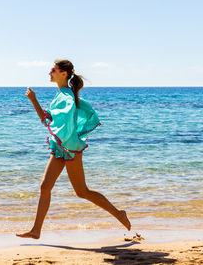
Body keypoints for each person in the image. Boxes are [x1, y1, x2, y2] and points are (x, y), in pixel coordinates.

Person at [16, 59, 131, 239]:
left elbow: (63, 118)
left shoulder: (67, 96)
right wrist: (34, 101)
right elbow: (48, 120)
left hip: (69, 148)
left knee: (82, 191)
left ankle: (119, 214)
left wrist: (34, 100)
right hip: (62, 148)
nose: (49, 73)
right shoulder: (62, 95)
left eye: (53, 70)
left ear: (63, 73)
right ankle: (36, 230)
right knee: (45, 186)